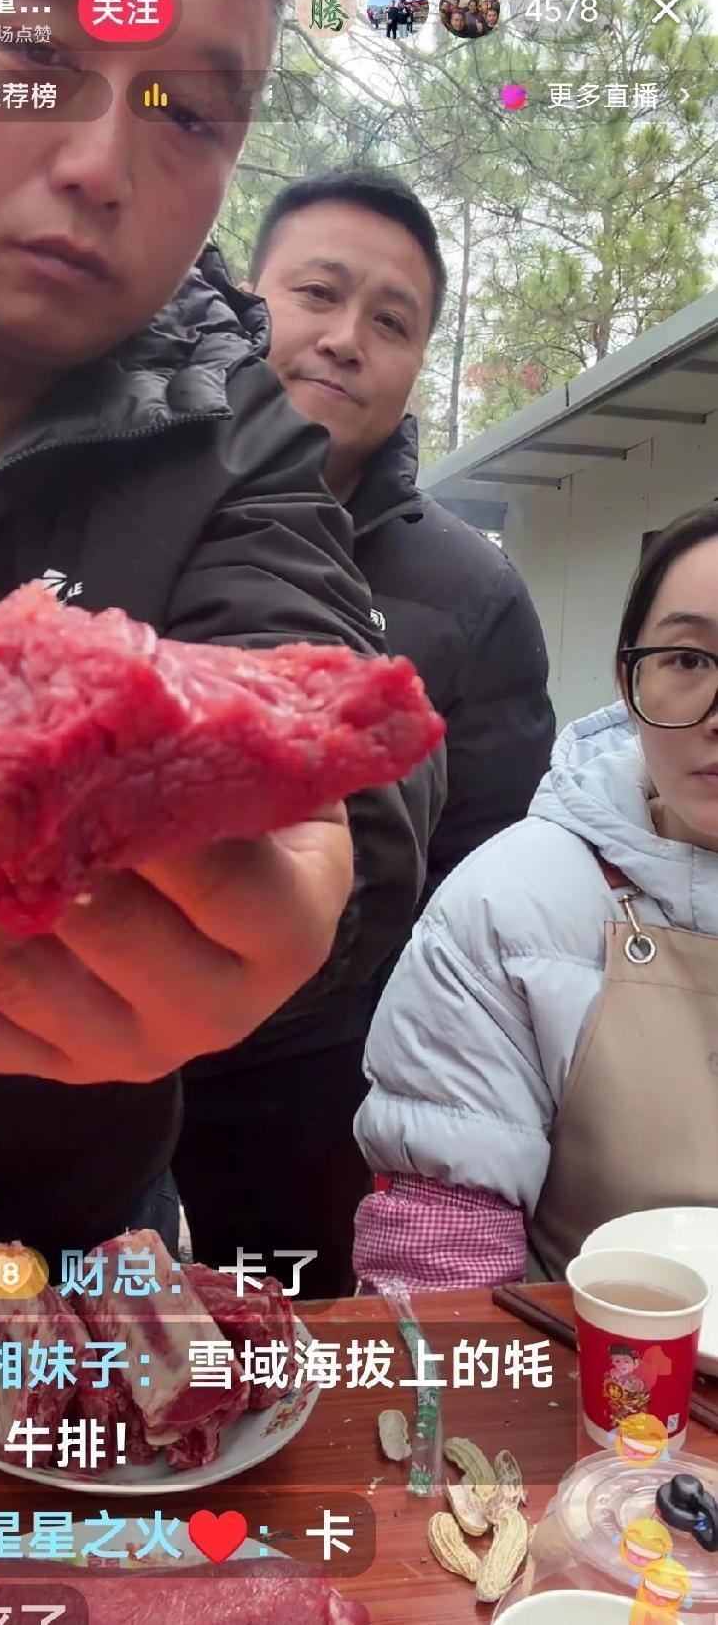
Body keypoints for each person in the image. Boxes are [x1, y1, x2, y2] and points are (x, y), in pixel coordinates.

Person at [0, 0, 427, 1335]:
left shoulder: (241, 432)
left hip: (60, 1309)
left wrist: (309, 874)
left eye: (187, 111)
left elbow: (320, 679)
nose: (98, 164)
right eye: (32, 52)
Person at [174, 167, 553, 1296]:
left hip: (309, 1085)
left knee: (278, 1361)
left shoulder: (472, 592)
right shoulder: (121, 491)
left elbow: (479, 880)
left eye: (391, 322)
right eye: (317, 293)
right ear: (250, 299)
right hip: (59, 1054)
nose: (346, 339)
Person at [353, 508, 718, 1292]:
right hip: (587, 1360)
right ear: (628, 681)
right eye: (689, 659)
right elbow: (440, 1269)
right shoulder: (507, 908)